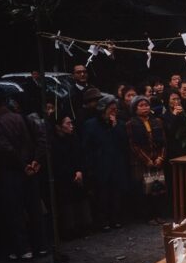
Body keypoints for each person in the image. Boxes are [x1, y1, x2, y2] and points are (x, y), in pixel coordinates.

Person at [0, 87, 46, 260]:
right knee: (34, 208)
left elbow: (6, 149)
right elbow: (38, 139)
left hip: (11, 172)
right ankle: (40, 246)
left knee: (15, 212)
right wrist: (35, 161)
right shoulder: (21, 118)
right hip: (31, 169)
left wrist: (22, 165)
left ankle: (23, 248)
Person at [82, 96, 129, 230]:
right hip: (100, 163)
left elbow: (124, 142)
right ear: (103, 110)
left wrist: (114, 127)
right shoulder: (91, 125)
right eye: (111, 109)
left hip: (116, 163)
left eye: (115, 109)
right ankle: (102, 221)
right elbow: (87, 146)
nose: (114, 112)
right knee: (101, 194)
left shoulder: (119, 124)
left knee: (116, 193)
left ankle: (115, 218)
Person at [126, 95, 167, 224]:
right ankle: (148, 217)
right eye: (141, 105)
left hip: (157, 160)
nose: (145, 108)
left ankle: (159, 215)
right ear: (135, 108)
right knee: (145, 190)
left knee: (158, 189)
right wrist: (146, 160)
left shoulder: (157, 121)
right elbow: (133, 145)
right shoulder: (131, 124)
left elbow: (164, 142)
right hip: (141, 162)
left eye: (147, 105)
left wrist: (161, 157)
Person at [51, 116, 91, 238]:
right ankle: (70, 229)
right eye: (67, 124)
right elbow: (57, 162)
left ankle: (84, 226)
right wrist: (71, 173)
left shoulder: (74, 138)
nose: (71, 126)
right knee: (67, 202)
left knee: (81, 199)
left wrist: (79, 170)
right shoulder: (54, 142)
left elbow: (80, 155)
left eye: (71, 123)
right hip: (63, 176)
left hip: (77, 173)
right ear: (58, 126)